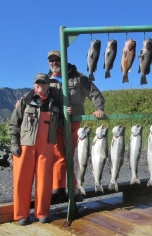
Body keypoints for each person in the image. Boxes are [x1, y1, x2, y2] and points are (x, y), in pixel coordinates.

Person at [47, 50, 105, 202]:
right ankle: (58, 189)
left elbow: (95, 94)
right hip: (56, 125)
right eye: (51, 60)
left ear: (64, 60)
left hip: (74, 125)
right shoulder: (47, 80)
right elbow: (39, 97)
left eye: (56, 60)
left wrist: (99, 109)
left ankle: (76, 188)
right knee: (58, 157)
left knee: (76, 157)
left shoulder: (79, 77)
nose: (54, 63)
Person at [9, 73, 60, 226]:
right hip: (25, 145)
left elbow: (61, 125)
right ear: (34, 85)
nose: (41, 85)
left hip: (46, 146)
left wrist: (68, 112)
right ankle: (21, 214)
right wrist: (14, 144)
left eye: (43, 83)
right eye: (38, 83)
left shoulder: (54, 104)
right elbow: (13, 124)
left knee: (45, 180)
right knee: (21, 180)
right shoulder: (25, 102)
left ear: (47, 85)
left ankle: (42, 212)